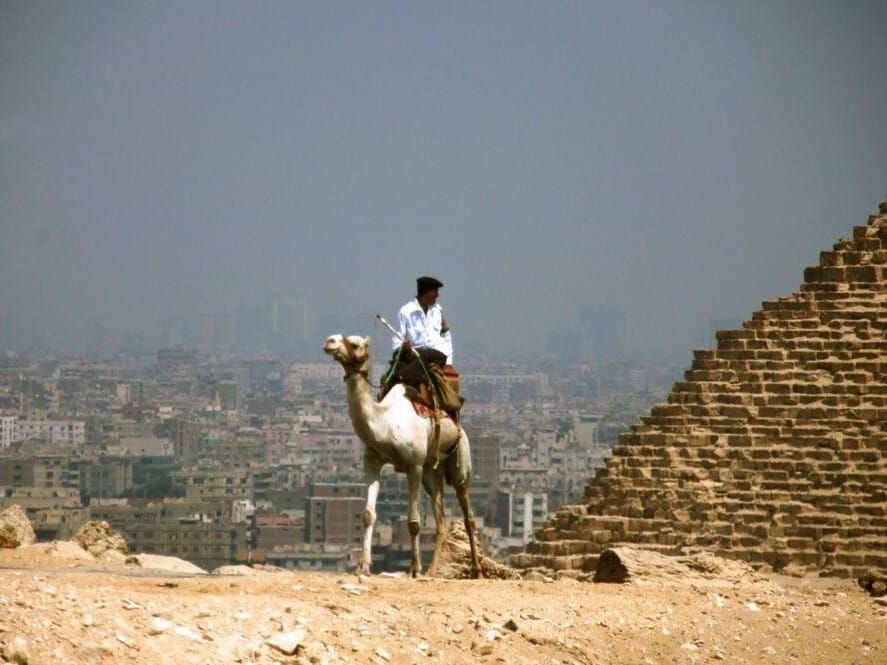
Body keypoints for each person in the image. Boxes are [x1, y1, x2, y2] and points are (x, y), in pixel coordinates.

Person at [383, 275, 453, 390]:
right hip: (413, 355)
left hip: (436, 355)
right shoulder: (406, 311)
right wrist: (403, 347)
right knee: (399, 362)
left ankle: (402, 377)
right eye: (435, 291)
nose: (437, 295)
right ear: (427, 293)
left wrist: (449, 362)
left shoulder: (438, 311)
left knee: (424, 355)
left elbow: (446, 336)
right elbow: (398, 337)